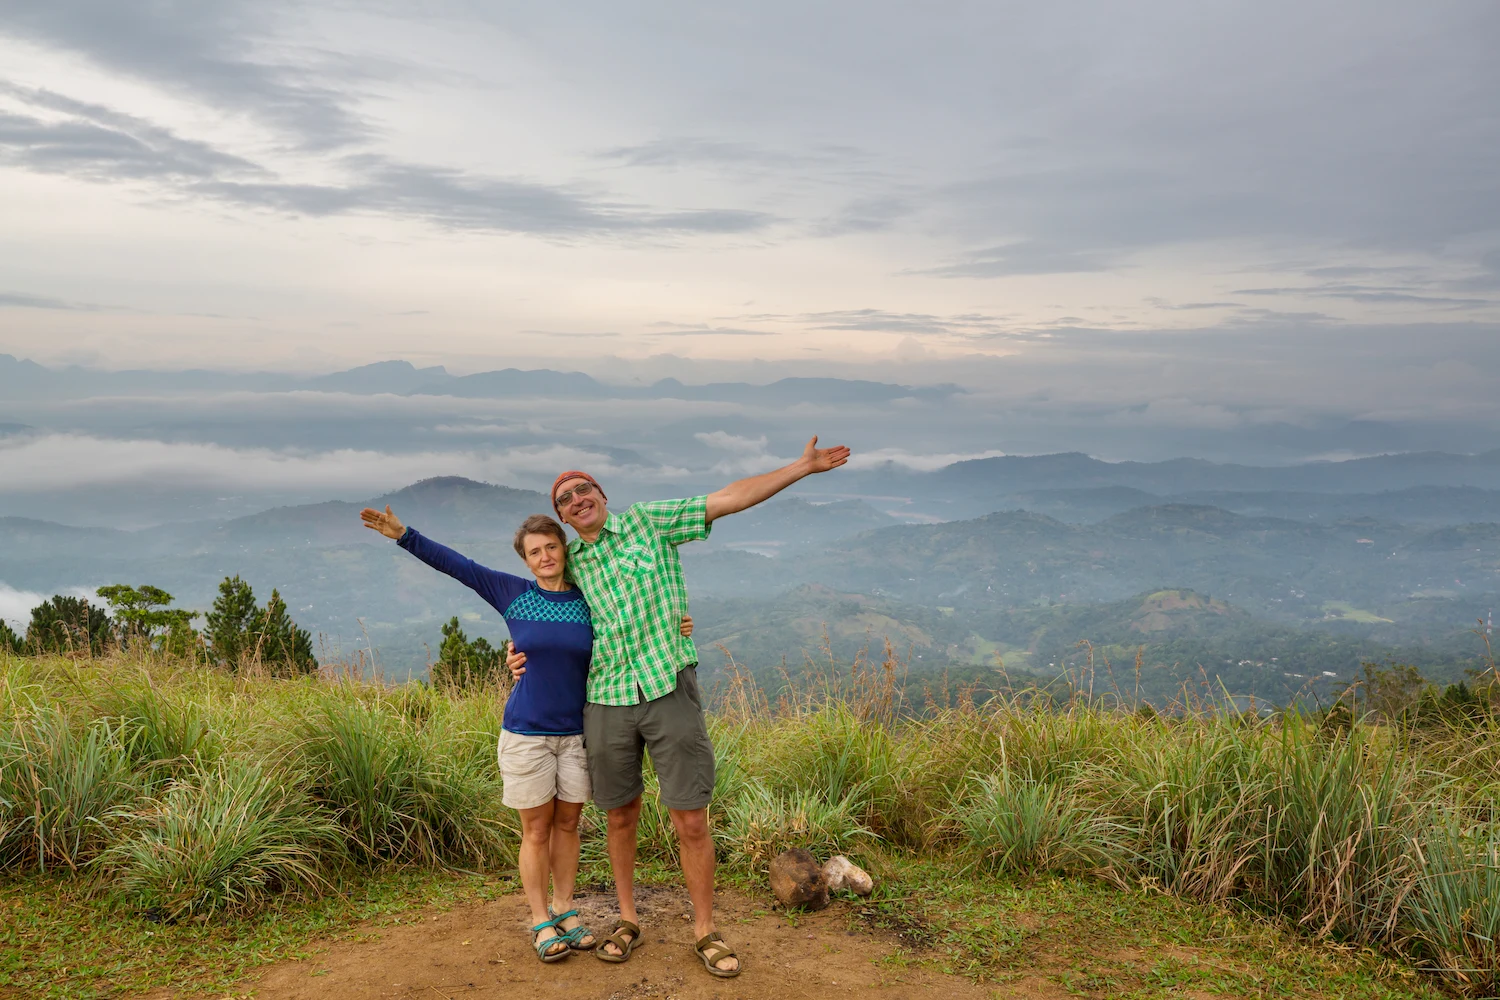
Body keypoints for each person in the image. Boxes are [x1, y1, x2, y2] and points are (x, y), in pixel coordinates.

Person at [517, 435, 850, 979]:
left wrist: (803, 467)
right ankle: (627, 919)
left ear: (602, 495)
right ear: (562, 518)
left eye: (584, 489)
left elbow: (729, 498)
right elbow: (539, 608)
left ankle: (704, 929)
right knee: (619, 815)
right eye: (565, 498)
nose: (577, 498)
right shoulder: (568, 560)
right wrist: (518, 653)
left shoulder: (650, 522)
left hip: (668, 687)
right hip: (605, 699)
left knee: (690, 818)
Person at [358, 505, 693, 964]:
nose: (545, 556)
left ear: (564, 550)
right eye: (534, 551)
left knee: (569, 824)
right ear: (526, 560)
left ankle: (565, 908)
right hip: (526, 734)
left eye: (552, 546)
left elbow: (636, 616)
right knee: (536, 830)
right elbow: (459, 566)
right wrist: (404, 535)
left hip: (578, 733)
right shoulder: (512, 593)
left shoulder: (588, 599)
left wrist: (678, 625)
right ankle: (540, 920)